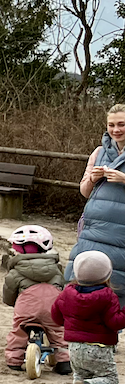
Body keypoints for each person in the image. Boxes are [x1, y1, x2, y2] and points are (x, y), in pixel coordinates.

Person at [51, 250, 125, 384]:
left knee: (79, 375)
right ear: (107, 274)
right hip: (99, 347)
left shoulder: (67, 293)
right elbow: (115, 322)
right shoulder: (107, 296)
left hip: (75, 346)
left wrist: (72, 323)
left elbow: (56, 317)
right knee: (109, 378)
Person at [71, 105, 125, 302]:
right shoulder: (99, 152)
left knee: (115, 294)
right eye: (111, 125)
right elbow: (84, 192)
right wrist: (92, 179)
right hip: (93, 231)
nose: (116, 130)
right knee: (83, 290)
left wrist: (123, 179)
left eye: (121, 124)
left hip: (121, 234)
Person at [0, 223, 68, 376]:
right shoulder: (56, 269)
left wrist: (12, 303)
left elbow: (9, 293)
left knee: (19, 331)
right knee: (58, 331)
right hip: (52, 310)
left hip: (26, 310)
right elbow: (62, 288)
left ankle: (14, 360)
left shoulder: (15, 272)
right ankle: (64, 360)